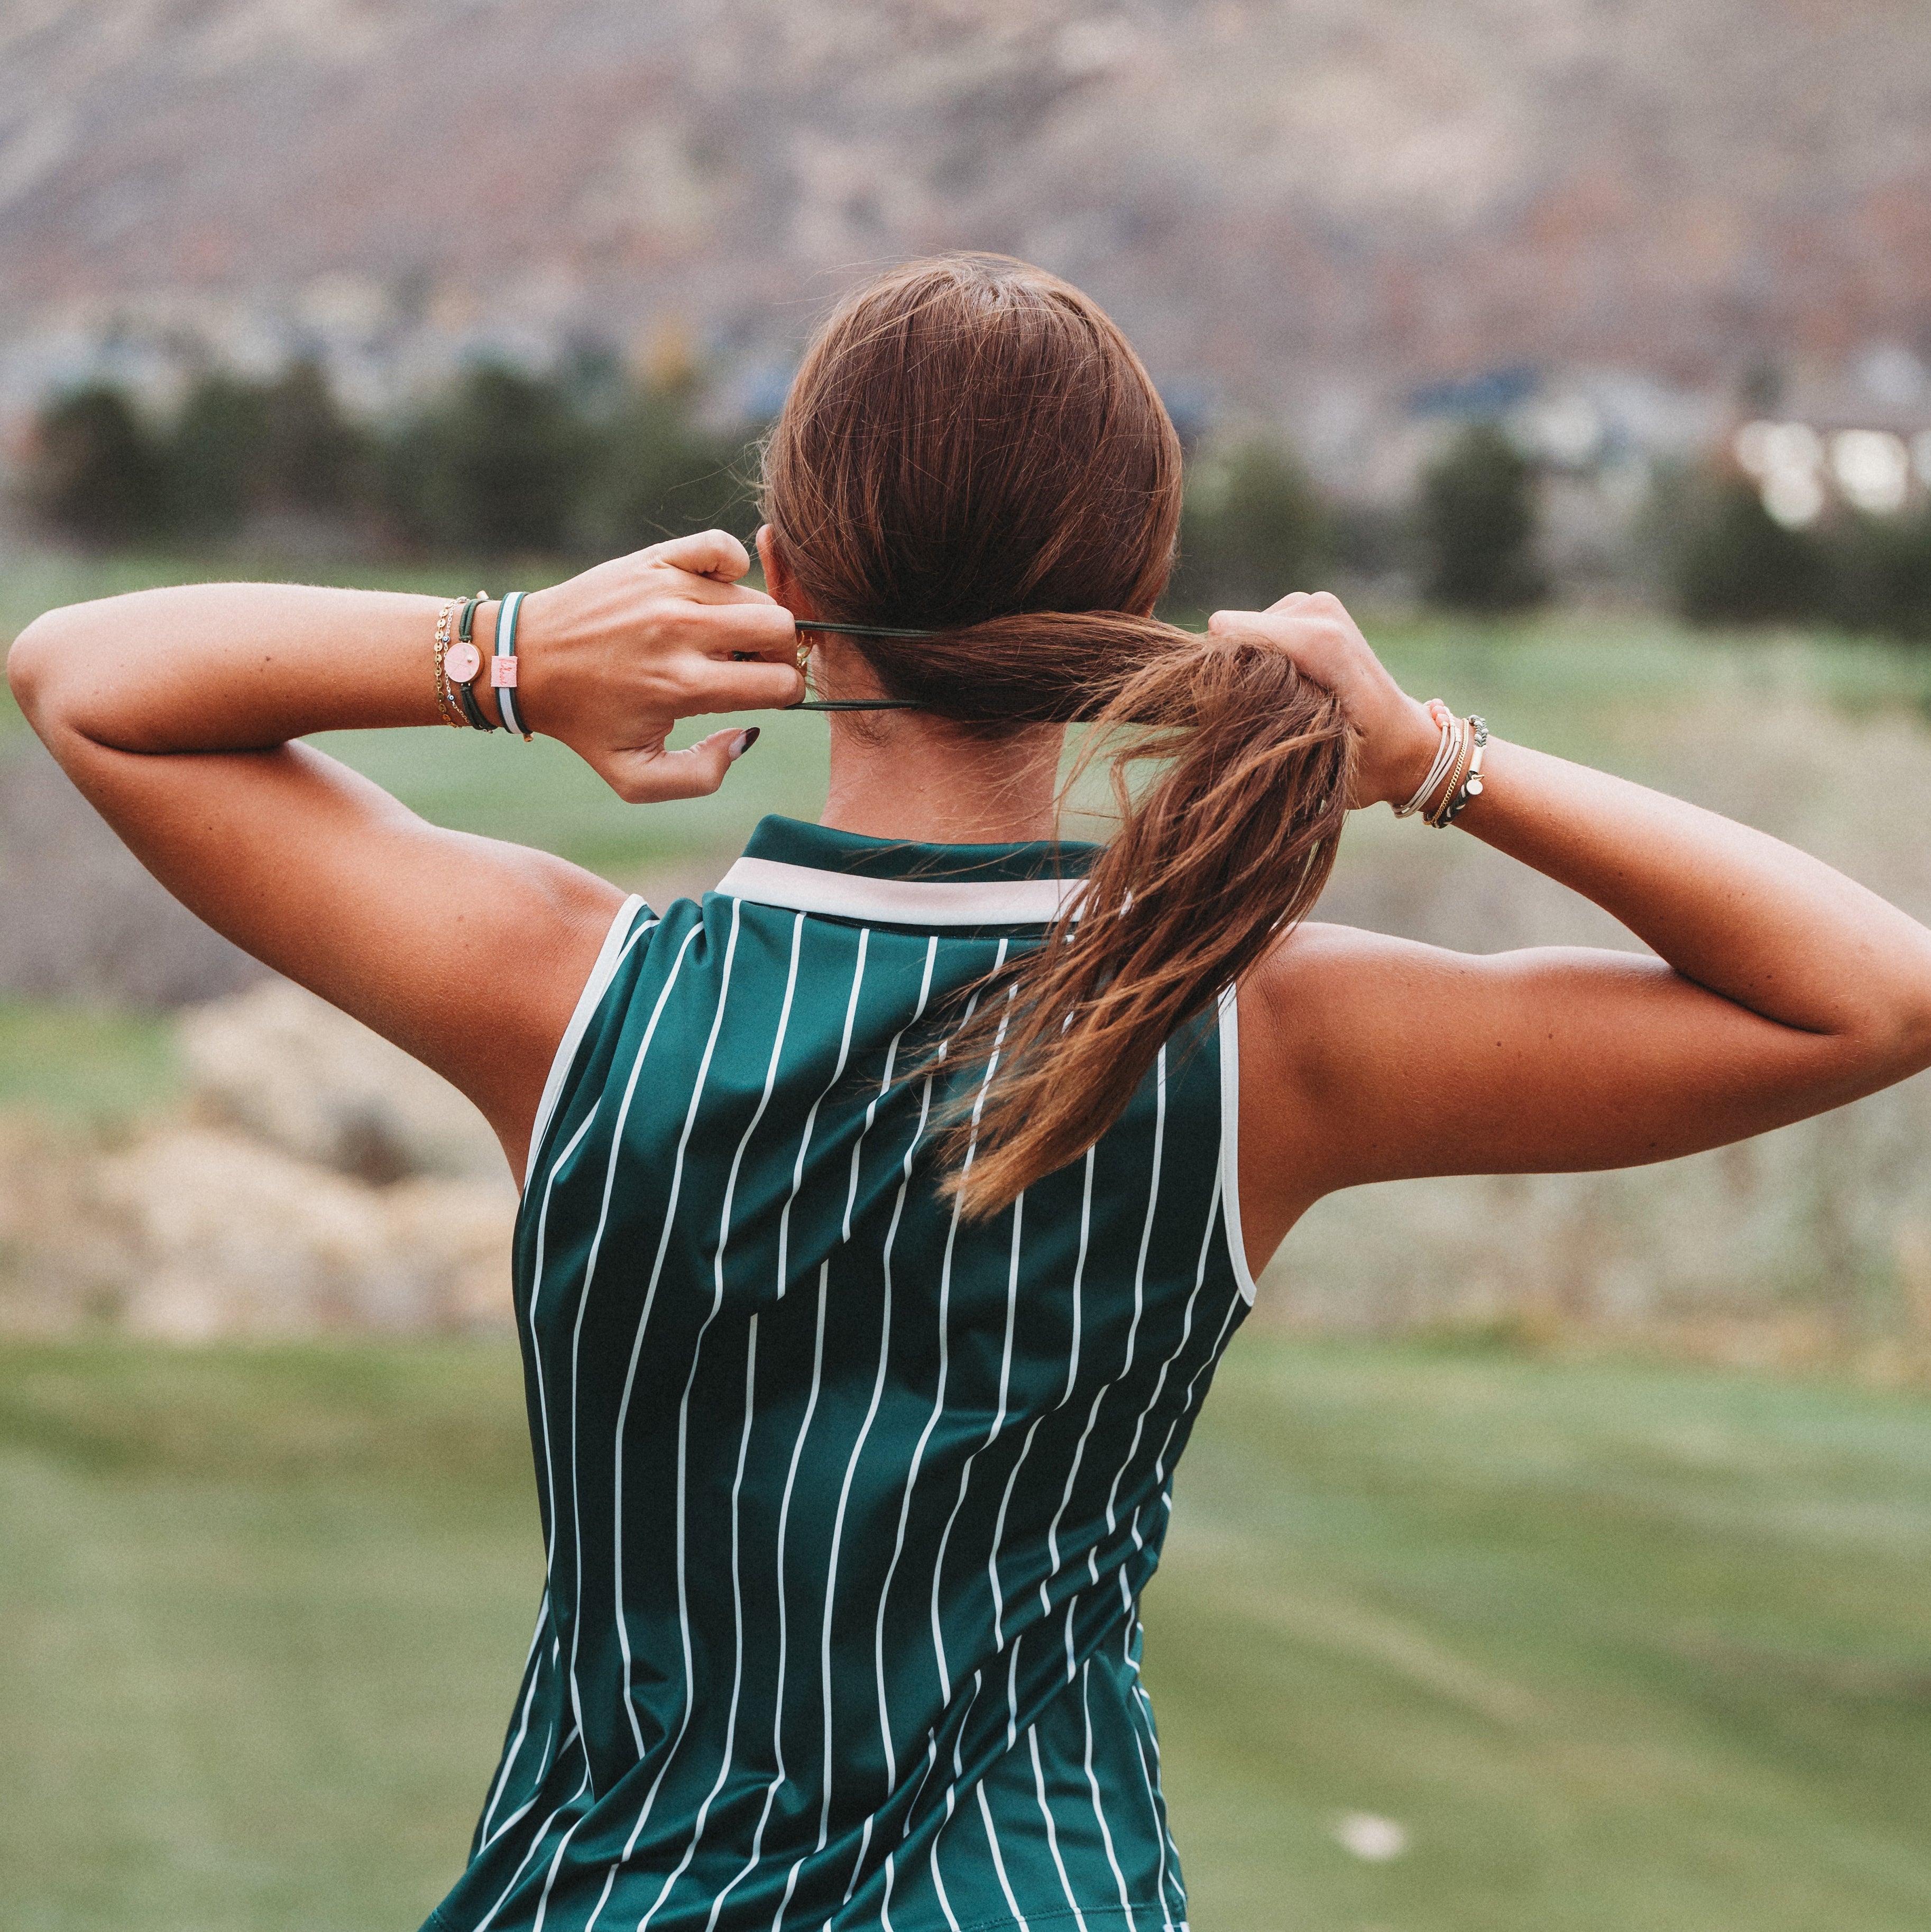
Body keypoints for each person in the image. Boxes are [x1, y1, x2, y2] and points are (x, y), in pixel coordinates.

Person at [11, 254, 1931, 1932]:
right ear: (1142, 590)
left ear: (781, 582)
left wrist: (505, 653)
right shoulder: (1262, 1039)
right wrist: (1431, 758)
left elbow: (89, 673)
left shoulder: (571, 992)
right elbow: (1869, 995)